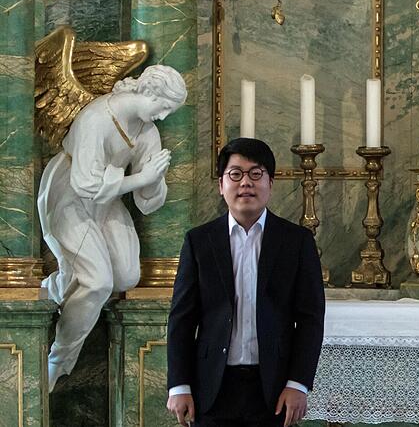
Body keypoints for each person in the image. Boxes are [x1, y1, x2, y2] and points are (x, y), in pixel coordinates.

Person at [38, 65, 186, 392]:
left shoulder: (146, 129)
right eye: (163, 108)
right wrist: (141, 178)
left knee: (126, 275)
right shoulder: (97, 119)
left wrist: (153, 179)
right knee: (97, 282)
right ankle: (57, 361)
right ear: (148, 92)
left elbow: (147, 200)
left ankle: (55, 288)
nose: (163, 117)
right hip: (69, 196)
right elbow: (85, 183)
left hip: (106, 200)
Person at [166, 138, 325, 427]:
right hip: (212, 385)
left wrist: (298, 383)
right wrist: (179, 385)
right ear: (220, 184)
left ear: (270, 183)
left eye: (256, 174)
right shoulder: (199, 241)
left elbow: (311, 318)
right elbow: (182, 318)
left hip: (274, 388)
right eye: (235, 174)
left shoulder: (297, 241)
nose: (246, 183)